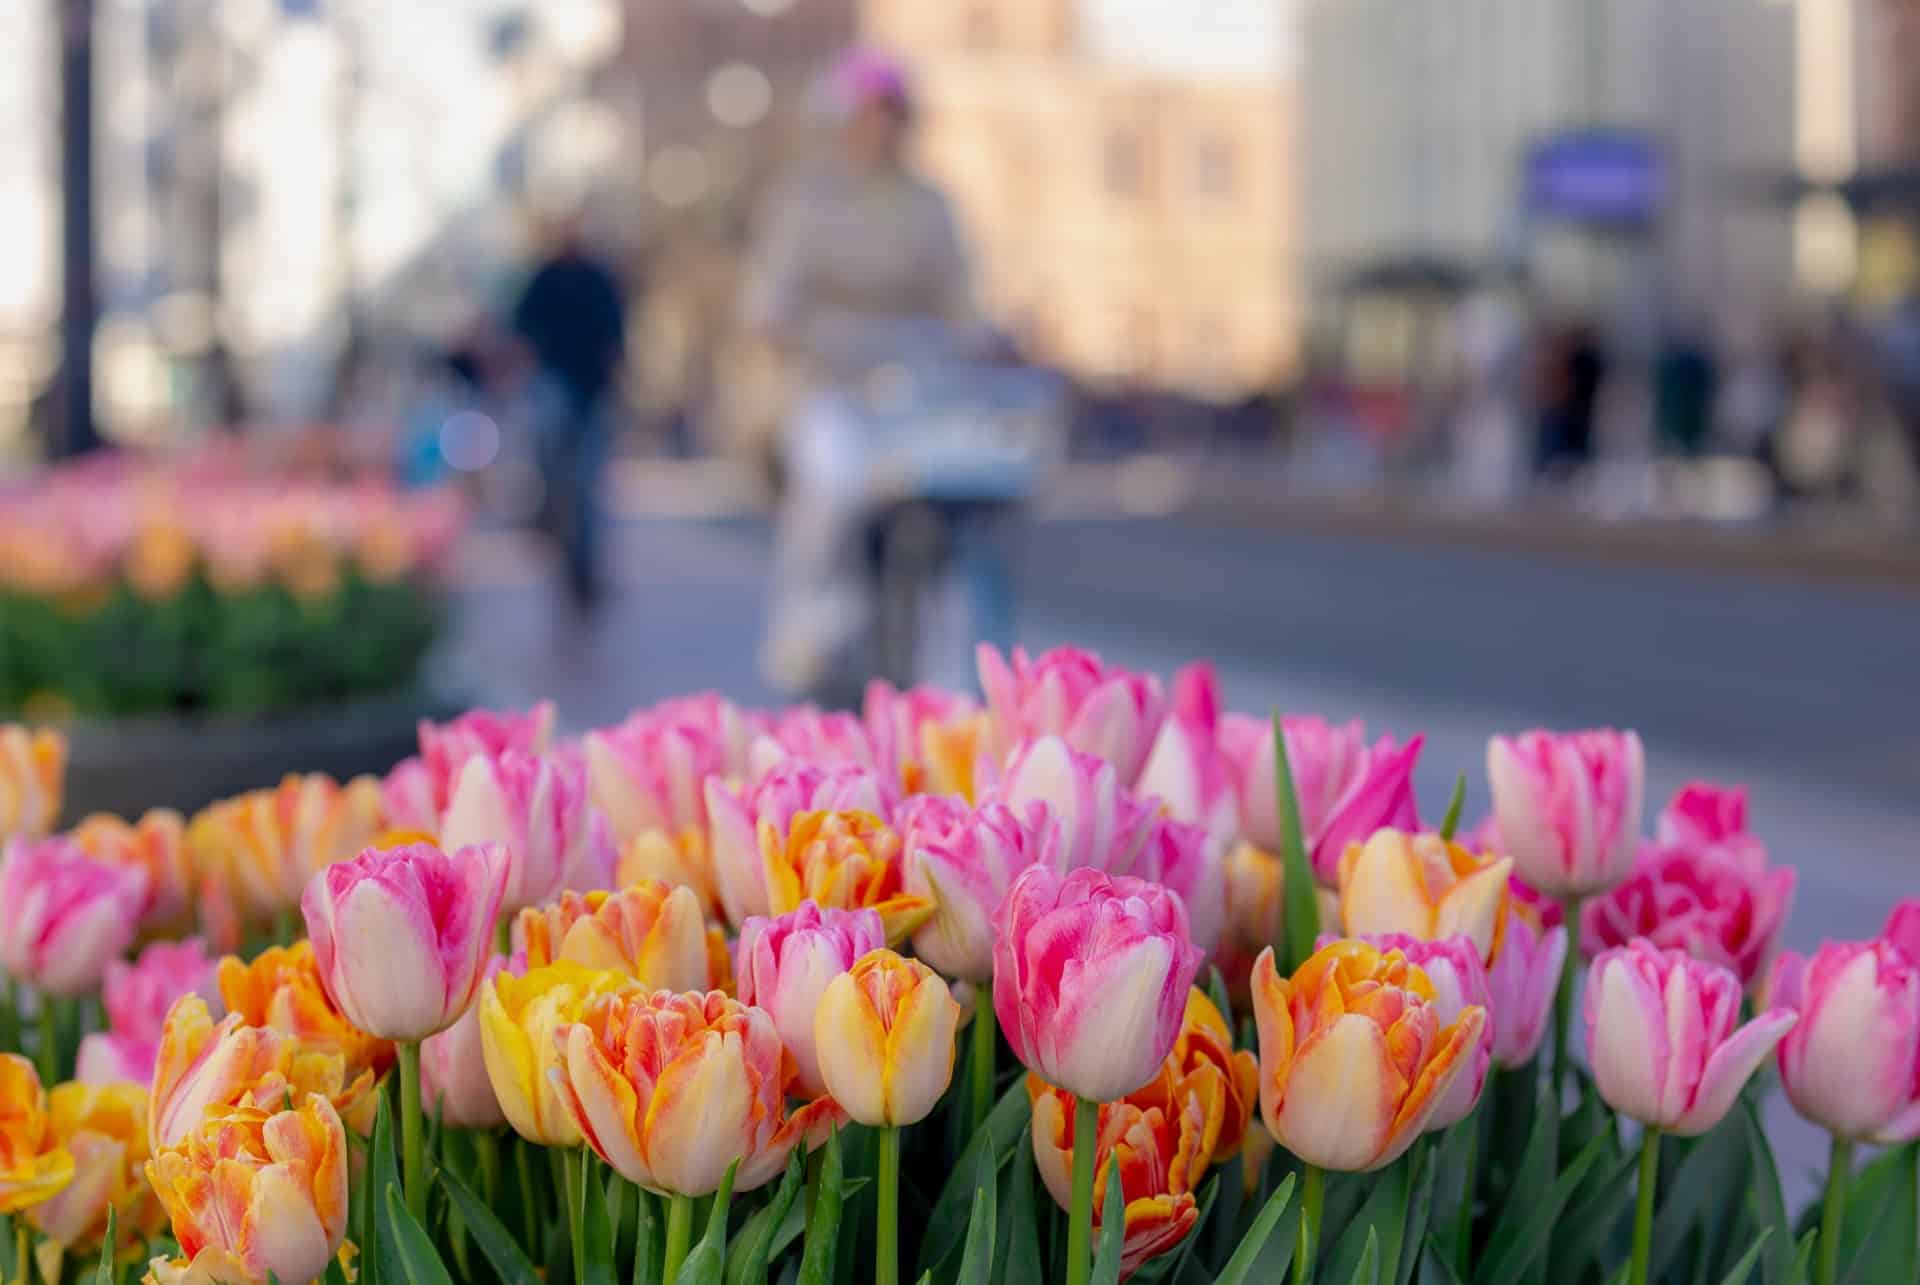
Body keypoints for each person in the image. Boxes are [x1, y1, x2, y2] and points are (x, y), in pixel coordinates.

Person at [741, 49, 975, 697]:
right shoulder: (804, 201)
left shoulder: (931, 205)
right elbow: (771, 296)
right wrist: (776, 325)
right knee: (832, 487)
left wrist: (984, 340)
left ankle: (949, 666)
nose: (879, 127)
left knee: (956, 517)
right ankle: (807, 633)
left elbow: (960, 300)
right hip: (829, 388)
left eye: (890, 114)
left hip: (916, 393)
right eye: (868, 114)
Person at [511, 212, 627, 608]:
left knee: (587, 484)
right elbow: (521, 329)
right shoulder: (544, 278)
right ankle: (547, 520)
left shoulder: (598, 278)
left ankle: (584, 566)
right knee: (552, 463)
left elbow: (616, 335)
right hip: (554, 385)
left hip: (591, 394)